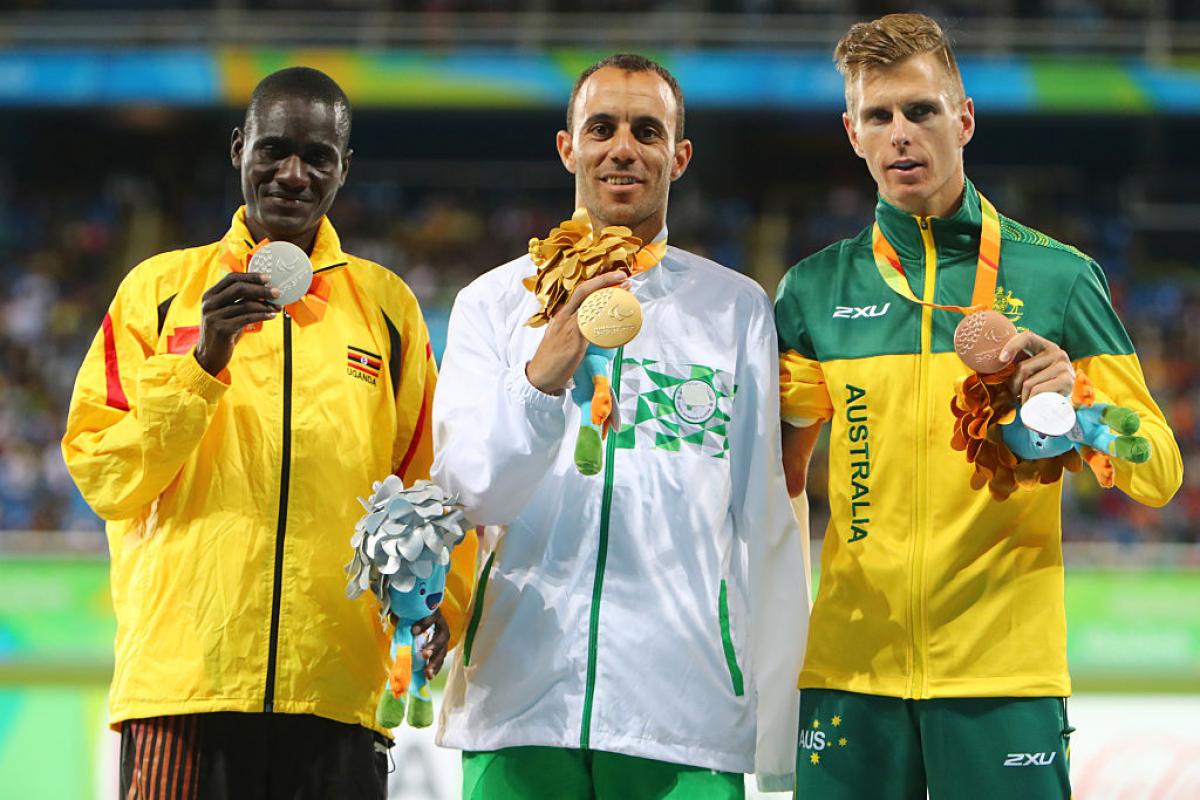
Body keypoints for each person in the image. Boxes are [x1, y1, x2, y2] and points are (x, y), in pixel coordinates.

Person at [775, 13, 1183, 799]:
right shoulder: (814, 293)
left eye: (921, 111)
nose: (901, 134)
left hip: (1004, 678)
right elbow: (775, 480)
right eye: (878, 115)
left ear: (963, 118)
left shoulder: (1062, 280)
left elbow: (1158, 472)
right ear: (852, 134)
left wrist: (1080, 406)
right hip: (852, 672)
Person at [61, 67, 475, 799]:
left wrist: (441, 604)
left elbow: (434, 486)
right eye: (273, 149)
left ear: (345, 168)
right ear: (236, 148)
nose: (292, 173)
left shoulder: (387, 310)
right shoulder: (157, 293)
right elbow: (104, 475)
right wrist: (201, 364)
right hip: (183, 686)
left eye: (317, 157)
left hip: (336, 690)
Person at [431, 54, 808, 798]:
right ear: (568, 147)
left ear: (680, 155)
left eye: (647, 130)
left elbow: (764, 523)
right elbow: (467, 493)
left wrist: (777, 729)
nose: (623, 148)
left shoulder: (733, 309)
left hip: (686, 713)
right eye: (601, 128)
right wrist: (542, 377)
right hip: (518, 704)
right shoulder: (493, 304)